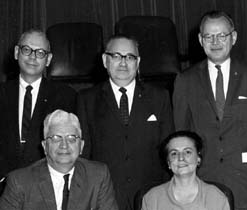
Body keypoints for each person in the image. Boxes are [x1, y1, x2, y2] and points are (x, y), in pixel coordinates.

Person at [172, 11, 247, 210]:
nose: (215, 41)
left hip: (246, 177)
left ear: (234, 37)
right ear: (200, 39)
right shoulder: (185, 80)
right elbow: (181, 133)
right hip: (205, 177)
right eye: (208, 36)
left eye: (222, 35)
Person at [76, 34, 173, 209]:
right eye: (116, 56)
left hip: (151, 196)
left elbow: (168, 151)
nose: (123, 63)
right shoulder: (86, 100)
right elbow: (84, 156)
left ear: (138, 62)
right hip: (105, 197)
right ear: (105, 60)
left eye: (129, 57)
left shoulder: (160, 97)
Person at [0, 109, 118, 210]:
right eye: (56, 138)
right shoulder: (19, 182)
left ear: (81, 146)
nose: (64, 145)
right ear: (44, 146)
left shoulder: (98, 175)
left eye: (71, 138)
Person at [0, 29, 77, 178]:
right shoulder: (2, 93)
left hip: (46, 183)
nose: (32, 57)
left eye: (40, 52)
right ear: (17, 52)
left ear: (48, 59)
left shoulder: (66, 97)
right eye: (27, 50)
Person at [142, 131, 230, 210]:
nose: (181, 158)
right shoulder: (152, 199)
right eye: (174, 153)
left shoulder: (216, 197)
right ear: (168, 163)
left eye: (187, 152)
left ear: (198, 159)